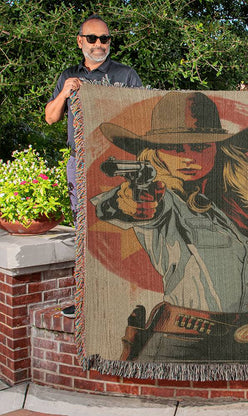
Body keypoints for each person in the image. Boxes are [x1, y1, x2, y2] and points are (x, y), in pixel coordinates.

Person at [92, 91, 248, 363]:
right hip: (180, 347)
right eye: (176, 148)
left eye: (201, 147)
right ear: (156, 153)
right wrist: (133, 203)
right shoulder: (164, 198)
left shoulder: (232, 205)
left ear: (218, 149)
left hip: (243, 344)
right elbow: (125, 205)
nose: (188, 157)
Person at [45, 14, 142, 318]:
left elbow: (141, 116)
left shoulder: (125, 76)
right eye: (92, 38)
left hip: (116, 164)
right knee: (84, 231)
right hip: (80, 163)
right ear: (80, 41)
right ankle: (86, 301)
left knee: (120, 228)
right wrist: (65, 92)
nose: (99, 44)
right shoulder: (68, 76)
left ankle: (122, 301)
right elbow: (50, 117)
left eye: (105, 39)